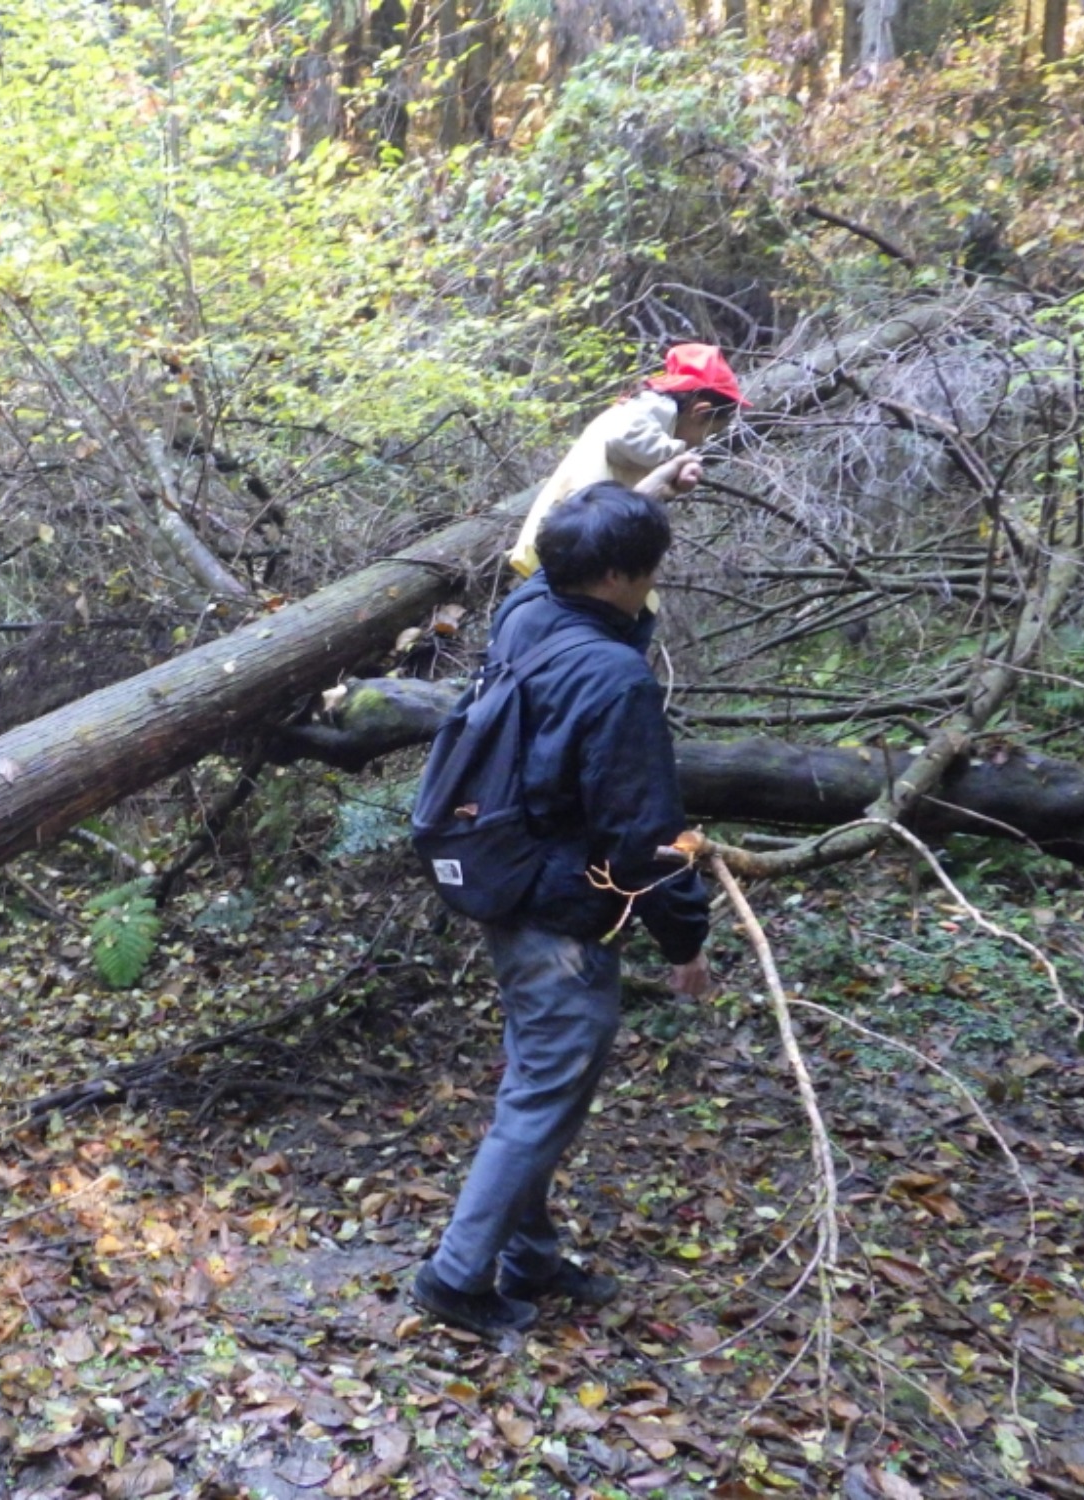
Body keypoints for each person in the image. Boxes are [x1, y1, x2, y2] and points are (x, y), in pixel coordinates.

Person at [411, 482, 716, 1341]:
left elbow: (552, 570)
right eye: (647, 567)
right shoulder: (614, 680)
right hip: (557, 911)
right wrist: (685, 942)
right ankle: (455, 1277)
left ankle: (530, 1256)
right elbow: (644, 835)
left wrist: (631, 494)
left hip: (504, 872)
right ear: (616, 576)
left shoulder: (526, 612)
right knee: (544, 1095)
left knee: (538, 1081)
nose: (654, 580)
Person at [505, 343, 747, 581]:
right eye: (710, 432)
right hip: (575, 530)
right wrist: (677, 455)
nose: (703, 442)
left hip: (584, 531)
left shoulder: (655, 419)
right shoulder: (652, 410)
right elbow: (622, 437)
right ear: (699, 412)